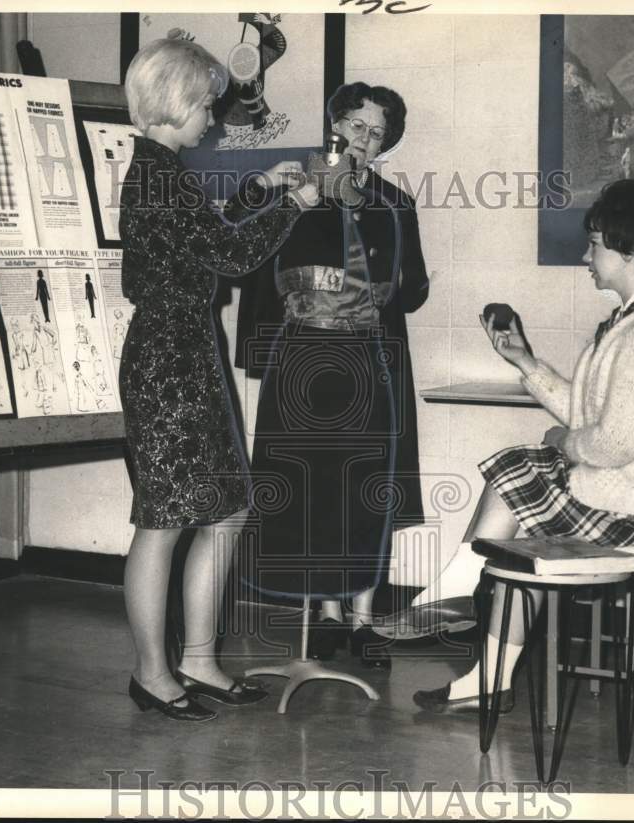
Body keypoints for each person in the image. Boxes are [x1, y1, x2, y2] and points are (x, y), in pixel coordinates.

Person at [413, 178, 634, 714]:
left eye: (596, 243)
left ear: (630, 251)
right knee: (520, 516)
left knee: (518, 475)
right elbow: (588, 418)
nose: (586, 254)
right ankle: (481, 648)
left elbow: (608, 446)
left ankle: (463, 593)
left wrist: (560, 442)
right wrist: (524, 361)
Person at [118, 36, 318, 722]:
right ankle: (152, 673)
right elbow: (229, 255)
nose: (212, 115)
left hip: (183, 350)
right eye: (206, 103)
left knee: (226, 504)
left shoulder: (162, 170)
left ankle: (197, 658)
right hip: (167, 360)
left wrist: (263, 188)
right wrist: (297, 204)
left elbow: (205, 236)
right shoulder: (157, 175)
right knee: (165, 519)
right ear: (176, 103)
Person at [229, 82, 429, 669]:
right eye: (359, 127)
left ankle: (364, 620)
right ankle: (325, 615)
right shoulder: (296, 195)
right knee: (310, 490)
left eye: (379, 133)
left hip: (372, 367)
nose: (367, 141)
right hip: (302, 368)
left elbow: (411, 292)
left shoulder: (395, 205)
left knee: (365, 489)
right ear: (334, 124)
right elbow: (236, 236)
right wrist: (271, 185)